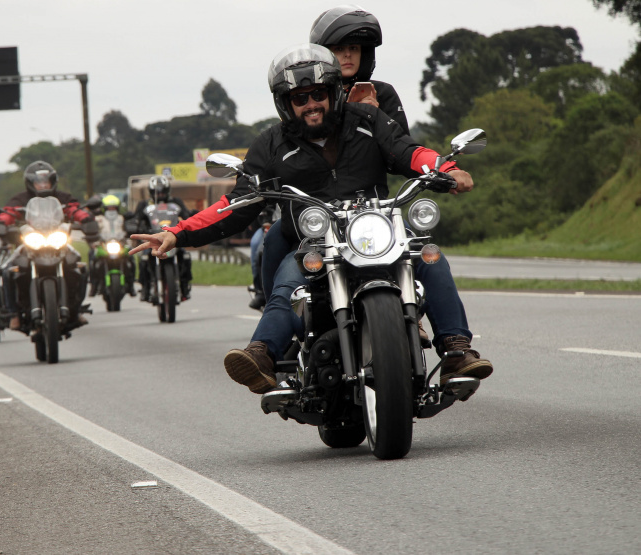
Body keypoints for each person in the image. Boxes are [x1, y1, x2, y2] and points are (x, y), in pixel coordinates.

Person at [131, 43, 492, 393]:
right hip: (313, 246)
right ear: (286, 104)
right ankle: (261, 354)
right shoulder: (271, 145)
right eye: (299, 98)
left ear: (333, 92)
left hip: (374, 230)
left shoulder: (367, 121)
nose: (311, 105)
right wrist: (177, 233)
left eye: (318, 94)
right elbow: (237, 201)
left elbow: (409, 152)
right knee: (289, 286)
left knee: (429, 257)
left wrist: (445, 168)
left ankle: (457, 351)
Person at [262, 5, 410, 309]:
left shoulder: (382, 94)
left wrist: (373, 115)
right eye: (338, 48)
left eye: (354, 48)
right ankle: (277, 312)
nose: (347, 56)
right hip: (314, 213)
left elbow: (400, 151)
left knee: (420, 253)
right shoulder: (304, 97)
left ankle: (426, 324)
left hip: (368, 210)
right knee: (275, 240)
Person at [0, 161, 94, 331]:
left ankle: (76, 308)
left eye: (46, 181)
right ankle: (13, 314)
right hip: (30, 244)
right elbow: (9, 213)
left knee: (80, 266)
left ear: (52, 181)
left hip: (57, 242)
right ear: (30, 183)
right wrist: (0, 222)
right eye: (38, 181)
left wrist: (85, 218)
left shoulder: (62, 197)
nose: (42, 184)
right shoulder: (20, 199)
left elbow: (74, 209)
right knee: (8, 271)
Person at [128, 175, 193, 302]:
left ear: (168, 190)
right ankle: (145, 288)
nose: (161, 194)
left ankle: (184, 287)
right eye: (158, 192)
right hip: (153, 240)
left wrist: (190, 221)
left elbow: (186, 215)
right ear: (152, 192)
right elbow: (136, 220)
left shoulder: (176, 202)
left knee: (185, 257)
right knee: (143, 259)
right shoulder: (144, 204)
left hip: (173, 238)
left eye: (163, 191)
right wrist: (133, 226)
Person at [89, 194, 137, 297]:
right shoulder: (97, 219)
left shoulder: (122, 218)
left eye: (114, 207)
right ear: (104, 208)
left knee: (131, 257)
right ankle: (94, 285)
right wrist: (93, 241)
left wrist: (130, 235)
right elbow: (92, 231)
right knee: (92, 257)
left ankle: (131, 285)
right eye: (109, 208)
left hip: (120, 244)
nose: (111, 210)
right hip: (103, 245)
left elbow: (129, 229)